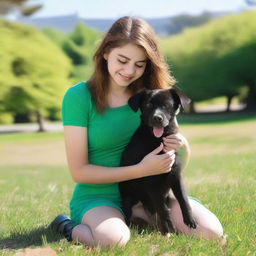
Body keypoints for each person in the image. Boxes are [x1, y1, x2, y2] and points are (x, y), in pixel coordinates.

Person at [51, 16, 224, 248]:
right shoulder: (78, 97)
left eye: (139, 64)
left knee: (211, 232)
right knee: (113, 241)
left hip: (153, 192)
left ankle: (142, 216)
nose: (129, 70)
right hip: (100, 196)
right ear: (105, 53)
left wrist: (180, 145)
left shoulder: (153, 97)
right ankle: (67, 225)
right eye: (122, 60)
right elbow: (79, 172)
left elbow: (177, 154)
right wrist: (139, 170)